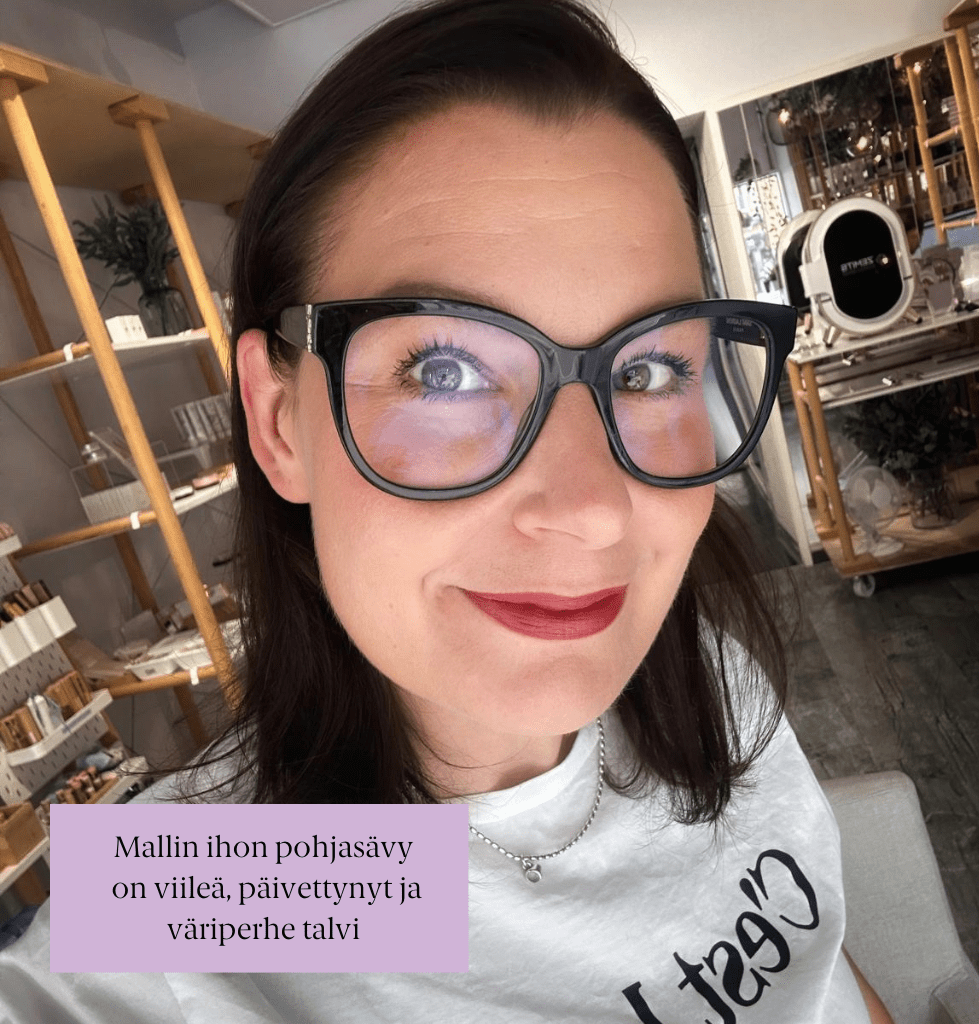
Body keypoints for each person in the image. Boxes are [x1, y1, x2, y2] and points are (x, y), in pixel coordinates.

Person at [0, 1, 896, 1021]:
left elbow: (820, 973)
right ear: (280, 421)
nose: (593, 512)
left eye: (647, 369)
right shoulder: (226, 893)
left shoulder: (703, 677)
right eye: (444, 371)